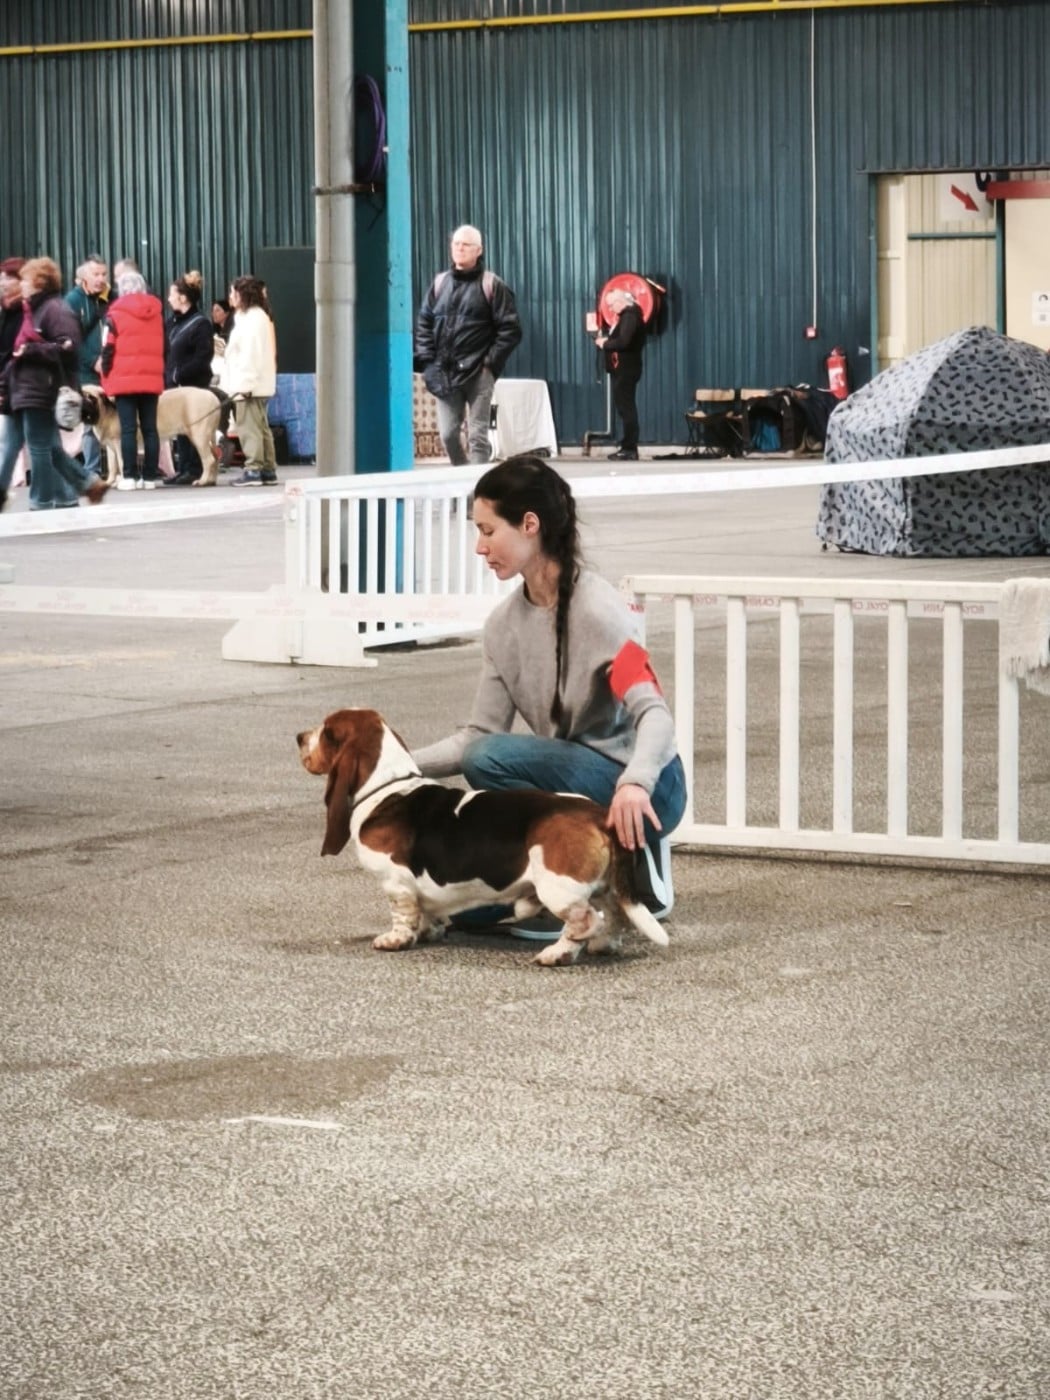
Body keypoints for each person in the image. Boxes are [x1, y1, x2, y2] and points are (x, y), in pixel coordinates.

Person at [411, 454, 686, 936]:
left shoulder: (600, 613)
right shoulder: (502, 627)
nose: (480, 547)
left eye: (488, 530)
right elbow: (476, 735)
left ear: (530, 525)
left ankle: (606, 877)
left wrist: (636, 782)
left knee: (490, 758)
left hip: (649, 789)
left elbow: (656, 716)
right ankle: (554, 885)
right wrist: (393, 767)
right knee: (443, 891)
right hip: (577, 785)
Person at [1, 257, 109, 510]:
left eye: (26, 280)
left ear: (39, 282)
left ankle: (43, 499)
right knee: (38, 446)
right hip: (25, 386)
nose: (21, 285)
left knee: (40, 448)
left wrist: (31, 350)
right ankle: (81, 486)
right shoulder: (31, 310)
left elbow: (69, 347)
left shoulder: (54, 309)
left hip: (42, 387)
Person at [413, 223, 522, 466]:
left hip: (478, 373)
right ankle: (463, 478)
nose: (460, 249)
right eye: (456, 244)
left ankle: (479, 492)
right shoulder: (440, 284)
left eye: (466, 245)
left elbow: (511, 329)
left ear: (479, 250)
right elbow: (424, 324)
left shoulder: (492, 285)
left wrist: (489, 363)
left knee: (478, 436)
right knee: (449, 435)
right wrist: (428, 362)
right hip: (444, 372)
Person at [100, 269, 165, 490]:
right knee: (150, 429)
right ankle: (149, 477)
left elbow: (107, 349)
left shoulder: (114, 315)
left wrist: (106, 379)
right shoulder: (156, 313)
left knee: (128, 429)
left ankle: (129, 476)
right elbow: (165, 346)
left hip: (124, 380)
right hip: (151, 380)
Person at [219, 274, 279, 486]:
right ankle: (267, 469)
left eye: (232, 293)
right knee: (261, 427)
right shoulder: (256, 316)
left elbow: (250, 354)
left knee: (249, 428)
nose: (230, 297)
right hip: (257, 382)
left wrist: (245, 384)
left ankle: (254, 469)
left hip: (249, 384)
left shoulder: (251, 319)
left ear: (241, 295)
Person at [164, 270, 218, 485]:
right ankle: (184, 467)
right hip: (174, 386)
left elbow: (203, 357)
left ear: (183, 298)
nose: (168, 298)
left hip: (194, 386)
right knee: (180, 429)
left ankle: (197, 468)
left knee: (195, 428)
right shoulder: (172, 323)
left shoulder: (201, 324)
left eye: (171, 294)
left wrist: (179, 373)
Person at [65, 254, 109, 478]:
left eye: (103, 274)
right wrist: (93, 361)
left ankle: (105, 468)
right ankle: (92, 469)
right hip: (85, 372)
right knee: (91, 420)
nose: (101, 279)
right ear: (83, 277)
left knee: (107, 419)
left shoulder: (106, 299)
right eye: (96, 274)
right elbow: (71, 339)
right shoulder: (73, 301)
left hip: (107, 371)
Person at [595, 287, 645, 461]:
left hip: (626, 368)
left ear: (620, 302)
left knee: (627, 408)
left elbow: (624, 341)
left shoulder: (630, 316)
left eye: (611, 305)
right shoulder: (628, 316)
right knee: (625, 408)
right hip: (623, 368)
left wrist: (605, 343)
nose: (610, 309)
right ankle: (628, 445)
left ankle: (629, 447)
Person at [0, 257, 26, 511]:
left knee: (43, 444)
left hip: (21, 384)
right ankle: (82, 485)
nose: (2, 282)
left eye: (8, 277)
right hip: (13, 382)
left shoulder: (23, 311)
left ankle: (80, 485)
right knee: (12, 442)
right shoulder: (7, 310)